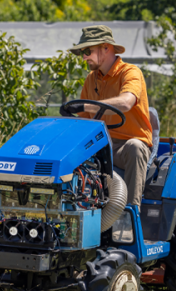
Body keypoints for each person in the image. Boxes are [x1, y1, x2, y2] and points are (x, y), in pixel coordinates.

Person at [61, 25, 152, 208]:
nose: (84, 57)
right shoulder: (91, 79)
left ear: (106, 47)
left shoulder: (130, 72)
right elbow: (86, 122)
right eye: (82, 53)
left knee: (135, 147)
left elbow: (126, 102)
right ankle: (68, 212)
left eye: (87, 51)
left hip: (126, 146)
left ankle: (130, 216)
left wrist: (86, 105)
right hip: (102, 146)